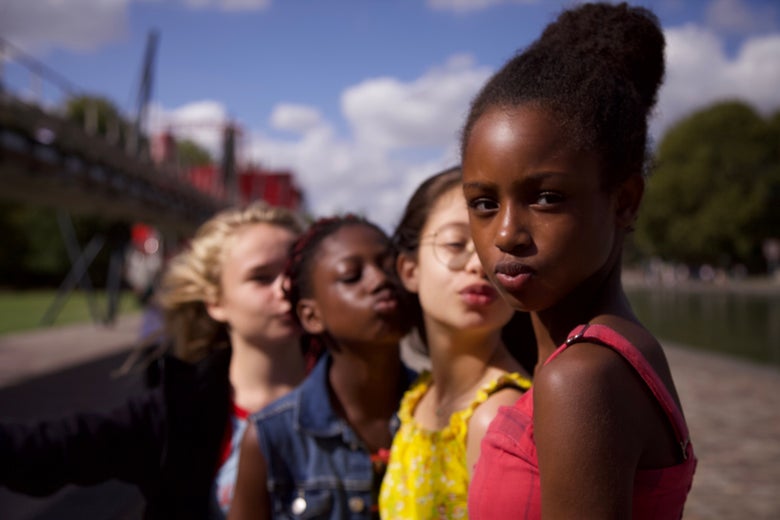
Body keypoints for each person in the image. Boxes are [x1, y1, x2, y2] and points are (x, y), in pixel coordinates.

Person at [460, 3, 697, 518]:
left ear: (625, 201)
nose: (506, 234)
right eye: (483, 203)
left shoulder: (582, 378)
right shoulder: (609, 351)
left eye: (546, 198)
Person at [0, 201, 308, 519]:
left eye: (293, 273)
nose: (285, 288)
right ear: (215, 302)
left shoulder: (352, 393)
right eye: (261, 277)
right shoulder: (176, 413)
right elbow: (49, 451)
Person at [228, 214, 416, 520]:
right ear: (310, 316)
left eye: (388, 266)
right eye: (352, 275)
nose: (380, 280)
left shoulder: (444, 415)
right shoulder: (271, 438)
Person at [378, 166, 532, 518]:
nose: (480, 265)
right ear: (409, 270)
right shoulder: (419, 395)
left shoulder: (495, 418)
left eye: (496, 248)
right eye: (455, 243)